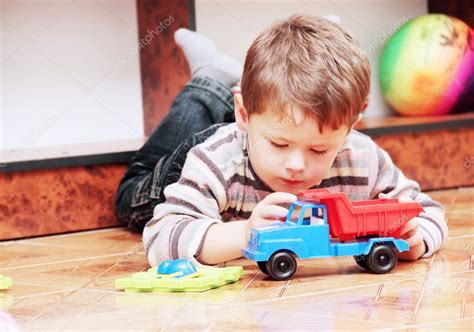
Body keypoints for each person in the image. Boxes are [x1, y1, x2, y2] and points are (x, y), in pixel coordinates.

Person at [115, 14, 447, 267]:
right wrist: (245, 234)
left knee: (278, 107)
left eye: (319, 149)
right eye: (279, 145)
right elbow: (160, 236)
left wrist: (416, 240)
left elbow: (426, 211)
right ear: (243, 114)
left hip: (260, 119)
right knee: (130, 197)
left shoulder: (361, 156)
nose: (296, 165)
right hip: (191, 161)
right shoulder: (212, 159)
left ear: (350, 128)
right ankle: (209, 81)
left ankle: (297, 66)